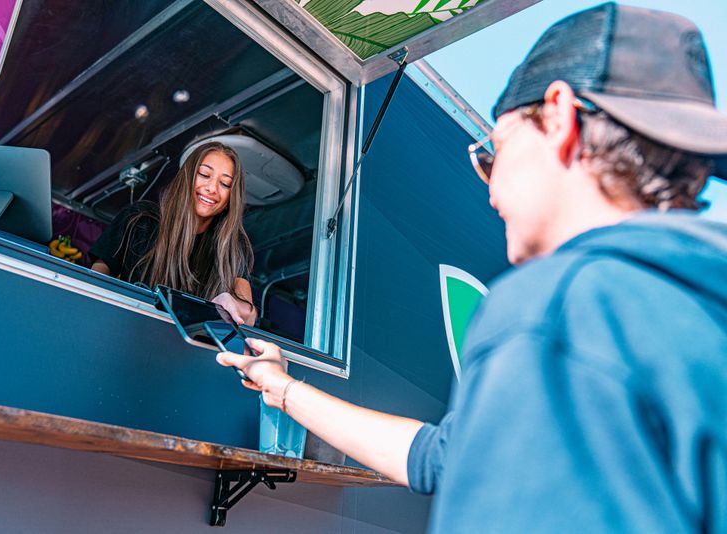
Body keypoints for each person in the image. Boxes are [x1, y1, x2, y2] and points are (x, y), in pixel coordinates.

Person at [217, 3, 727, 532]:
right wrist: (281, 387)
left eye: (495, 152)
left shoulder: (562, 305)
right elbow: (444, 455)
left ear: (559, 118)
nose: (491, 191)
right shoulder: (694, 300)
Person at [91, 141, 256, 325]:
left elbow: (248, 314)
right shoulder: (139, 218)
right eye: (204, 174)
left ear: (230, 198)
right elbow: (96, 280)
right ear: (187, 177)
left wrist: (230, 301)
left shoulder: (232, 245)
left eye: (225, 184)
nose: (212, 188)